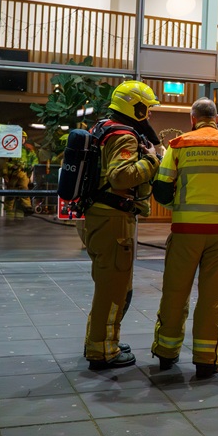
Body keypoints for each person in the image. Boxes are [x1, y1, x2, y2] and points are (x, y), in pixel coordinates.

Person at [151, 98, 218, 378]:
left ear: (192, 119)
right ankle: (207, 359)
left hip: (186, 231)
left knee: (175, 292)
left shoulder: (178, 145)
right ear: (217, 118)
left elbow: (161, 191)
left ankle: (166, 352)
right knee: (214, 297)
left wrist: (181, 207)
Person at [80, 80, 161, 370]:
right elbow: (121, 177)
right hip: (113, 220)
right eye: (147, 108)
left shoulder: (101, 127)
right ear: (135, 107)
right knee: (113, 290)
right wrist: (153, 160)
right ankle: (102, 352)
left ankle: (103, 340)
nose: (149, 114)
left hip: (98, 217)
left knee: (111, 286)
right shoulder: (124, 136)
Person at [2, 131, 38, 217]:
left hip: (23, 173)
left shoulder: (28, 150)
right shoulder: (11, 149)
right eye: (20, 138)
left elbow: (35, 160)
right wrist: (6, 174)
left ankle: (27, 207)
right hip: (13, 174)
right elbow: (5, 163)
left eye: (23, 138)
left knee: (24, 190)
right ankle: (8, 209)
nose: (22, 140)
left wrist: (32, 167)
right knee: (11, 191)